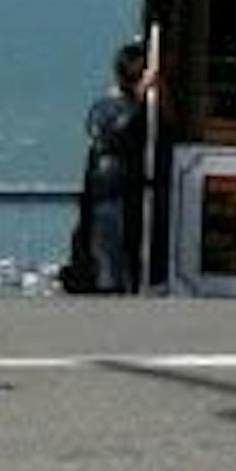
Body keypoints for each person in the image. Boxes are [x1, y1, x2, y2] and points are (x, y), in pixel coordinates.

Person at [74, 40, 152, 292]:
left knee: (128, 258)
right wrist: (139, 101)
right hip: (109, 190)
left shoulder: (144, 108)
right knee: (109, 260)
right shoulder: (106, 108)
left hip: (131, 190)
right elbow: (111, 136)